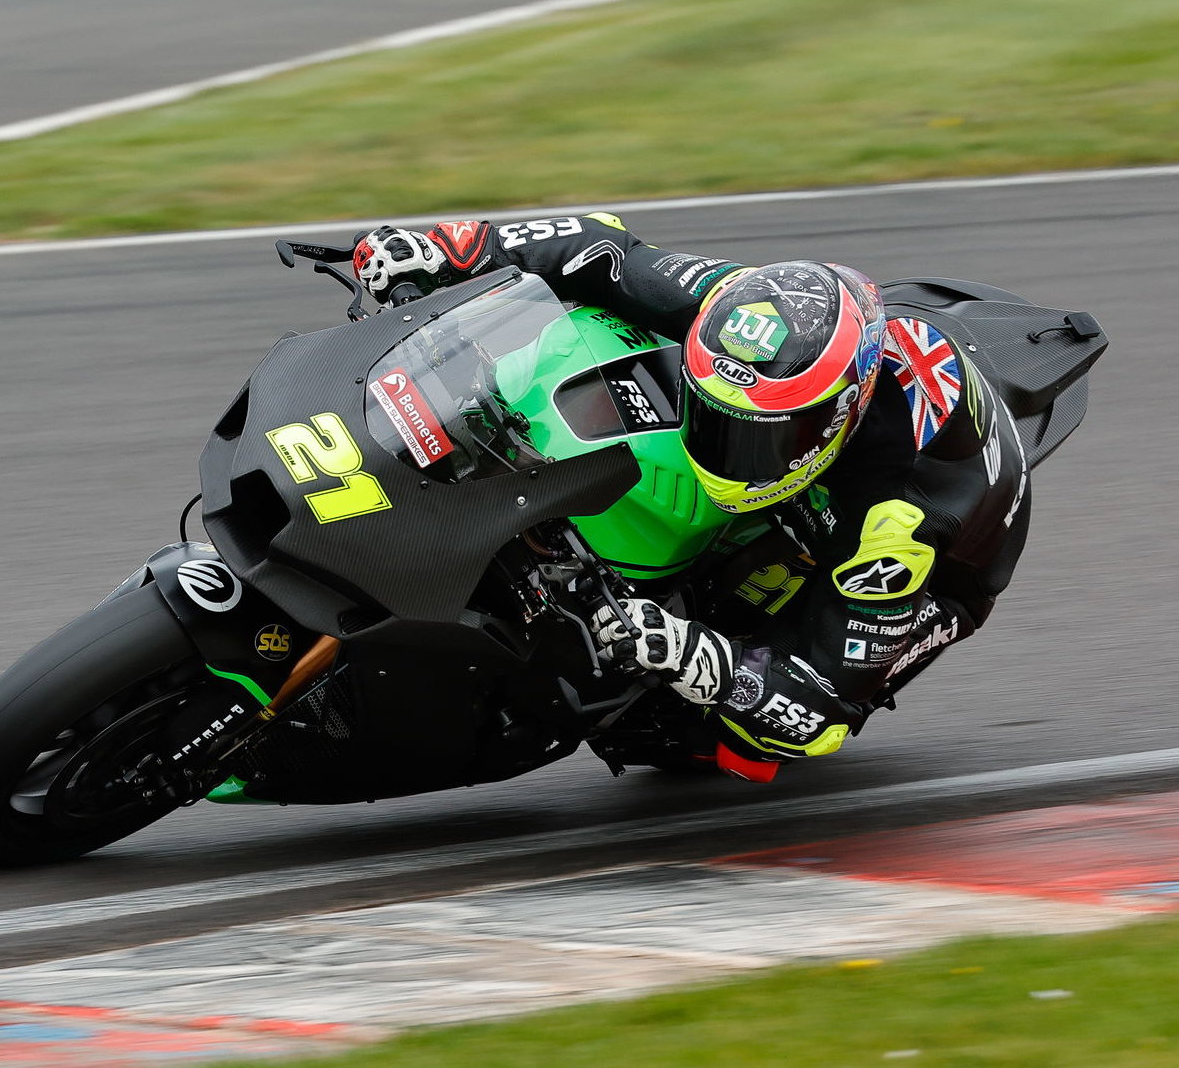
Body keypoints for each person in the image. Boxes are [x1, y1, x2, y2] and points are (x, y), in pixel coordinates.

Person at [350, 214, 1030, 780]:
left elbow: (819, 709)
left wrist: (685, 651)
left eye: (754, 438)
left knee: (718, 738)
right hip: (849, 402)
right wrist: (452, 245)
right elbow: (602, 248)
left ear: (833, 418)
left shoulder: (894, 523)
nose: (726, 447)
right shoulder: (732, 302)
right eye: (715, 417)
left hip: (947, 562)